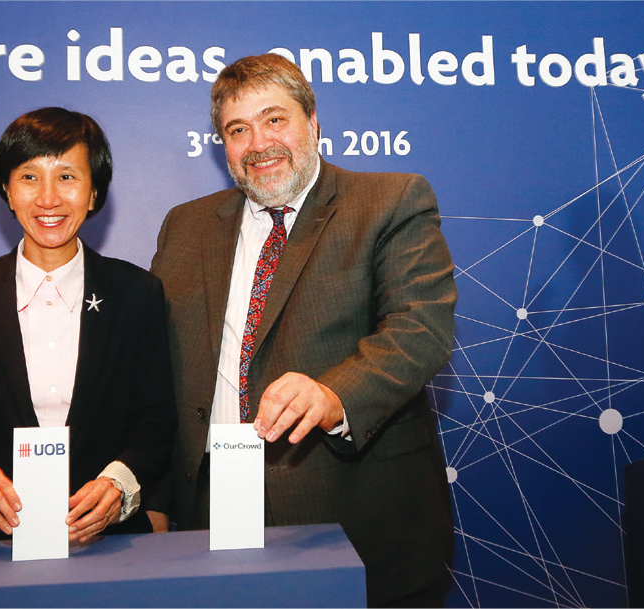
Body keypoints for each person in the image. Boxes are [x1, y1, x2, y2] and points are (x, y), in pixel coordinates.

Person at [149, 54, 457, 608]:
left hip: (356, 517)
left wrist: (333, 393)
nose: (258, 143)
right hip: (211, 518)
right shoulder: (185, 225)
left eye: (275, 119)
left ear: (313, 123)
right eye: (238, 130)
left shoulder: (390, 200)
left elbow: (419, 328)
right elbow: (153, 360)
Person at [0, 107, 176, 552]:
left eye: (67, 177)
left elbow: (156, 423)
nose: (48, 199)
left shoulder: (137, 292)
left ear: (94, 193)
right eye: (29, 177)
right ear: (7, 192)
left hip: (107, 546)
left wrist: (118, 483)